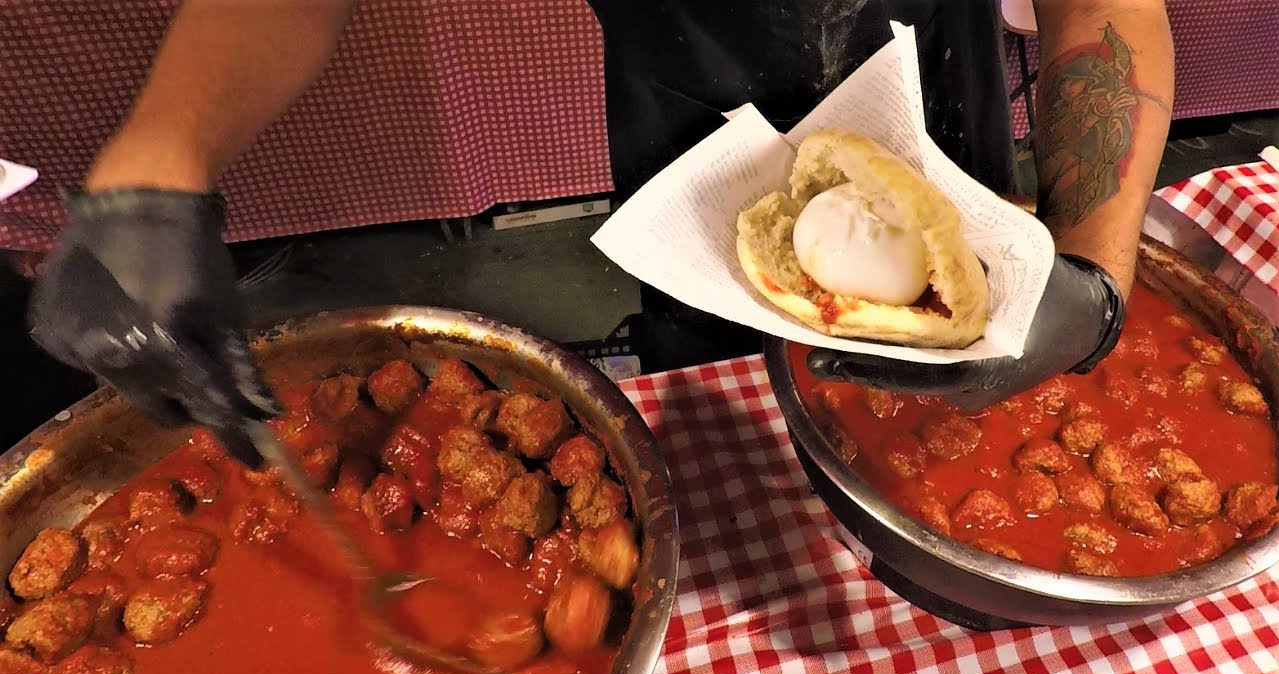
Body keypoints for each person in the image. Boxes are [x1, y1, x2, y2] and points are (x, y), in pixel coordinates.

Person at [26, 0, 1174, 466]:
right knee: (727, 437)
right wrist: (156, 166)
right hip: (691, 163)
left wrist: (1094, 285)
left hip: (955, 134)